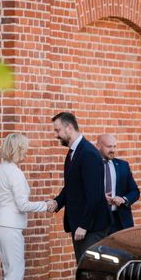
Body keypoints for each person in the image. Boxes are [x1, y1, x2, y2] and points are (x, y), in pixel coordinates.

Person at [0, 133, 54, 280]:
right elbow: (22, 205)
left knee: (9, 272)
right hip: (10, 226)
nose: (26, 152)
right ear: (17, 149)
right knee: (15, 272)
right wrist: (46, 205)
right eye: (24, 148)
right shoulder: (15, 172)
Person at [48, 112, 111, 262]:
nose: (56, 135)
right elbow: (72, 186)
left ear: (69, 128)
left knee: (90, 270)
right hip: (80, 226)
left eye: (58, 130)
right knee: (82, 269)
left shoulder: (88, 153)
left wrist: (84, 225)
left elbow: (94, 194)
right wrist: (57, 202)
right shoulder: (73, 153)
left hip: (92, 228)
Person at [96, 134, 140, 234]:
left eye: (114, 146)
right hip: (98, 219)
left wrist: (123, 199)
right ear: (98, 146)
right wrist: (100, 198)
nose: (112, 150)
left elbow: (135, 191)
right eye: (109, 146)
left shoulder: (123, 165)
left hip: (120, 221)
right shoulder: (91, 165)